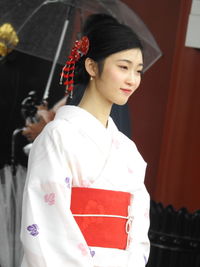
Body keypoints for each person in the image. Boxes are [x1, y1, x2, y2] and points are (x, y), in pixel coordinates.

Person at [20, 13, 150, 267]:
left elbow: (138, 225)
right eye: (123, 67)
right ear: (92, 66)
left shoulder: (128, 150)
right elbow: (47, 222)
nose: (132, 80)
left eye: (138, 71)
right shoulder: (59, 135)